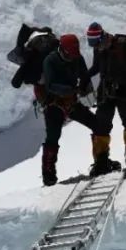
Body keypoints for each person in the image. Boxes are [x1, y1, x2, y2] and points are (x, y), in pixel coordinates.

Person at [39, 34, 102, 186]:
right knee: (53, 137)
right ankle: (48, 175)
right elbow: (50, 85)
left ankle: (101, 161)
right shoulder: (50, 60)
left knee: (98, 125)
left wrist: (88, 91)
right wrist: (73, 90)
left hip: (71, 101)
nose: (72, 57)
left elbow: (84, 76)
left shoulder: (76, 58)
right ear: (62, 49)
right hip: (53, 105)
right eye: (70, 54)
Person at [84, 21, 126, 176]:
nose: (96, 48)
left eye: (97, 44)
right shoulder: (99, 47)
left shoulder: (123, 46)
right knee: (101, 125)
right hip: (105, 90)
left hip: (123, 89)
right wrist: (85, 77)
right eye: (94, 45)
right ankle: (101, 161)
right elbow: (97, 67)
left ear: (102, 36)